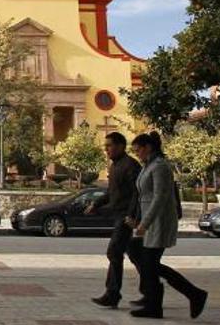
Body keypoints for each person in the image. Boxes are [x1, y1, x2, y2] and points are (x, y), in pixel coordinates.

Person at [126, 132, 208, 319]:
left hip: (159, 222)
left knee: (150, 263)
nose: (137, 154)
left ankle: (191, 295)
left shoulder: (160, 167)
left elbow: (159, 197)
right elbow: (142, 197)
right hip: (148, 221)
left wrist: (145, 224)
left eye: (138, 150)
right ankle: (155, 300)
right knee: (138, 254)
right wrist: (137, 219)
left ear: (148, 147)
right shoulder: (148, 166)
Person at [87, 132, 141, 309]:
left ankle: (112, 293)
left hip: (125, 216)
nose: (106, 149)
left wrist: (132, 215)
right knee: (136, 256)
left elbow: (137, 193)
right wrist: (96, 204)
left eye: (109, 145)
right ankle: (152, 290)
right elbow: (111, 192)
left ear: (120, 146)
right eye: (106, 146)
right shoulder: (115, 166)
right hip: (118, 214)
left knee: (114, 252)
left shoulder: (130, 166)